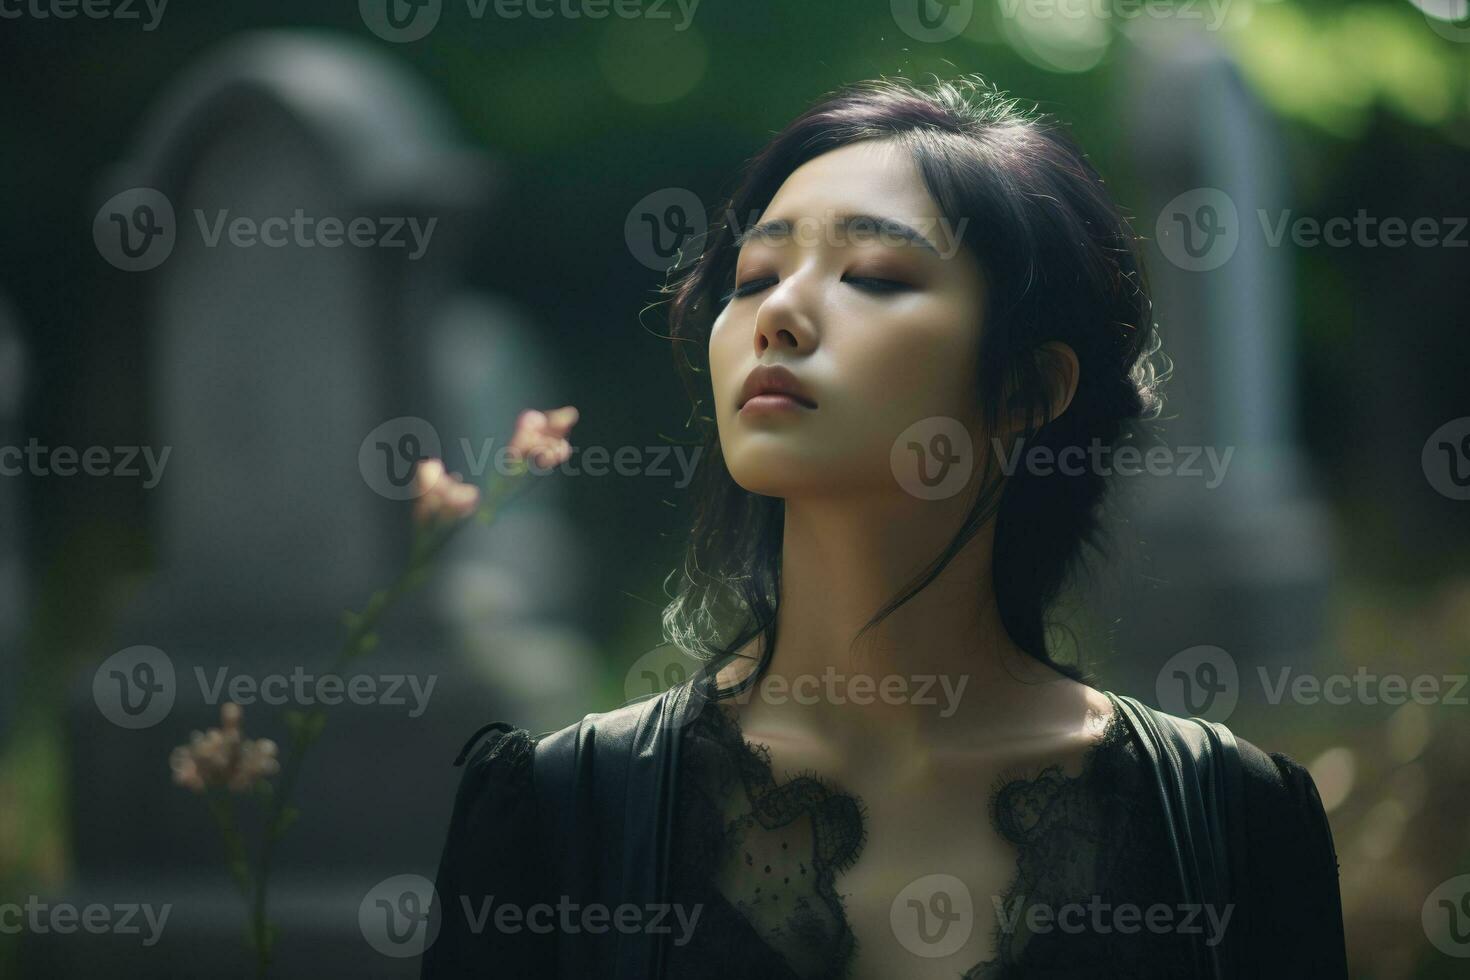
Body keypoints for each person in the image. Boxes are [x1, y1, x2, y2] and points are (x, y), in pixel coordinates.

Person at [420, 75, 1348, 979]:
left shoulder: (1224, 824)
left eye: (872, 274)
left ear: (1028, 388)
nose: (779, 313)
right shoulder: (562, 814)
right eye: (753, 276)